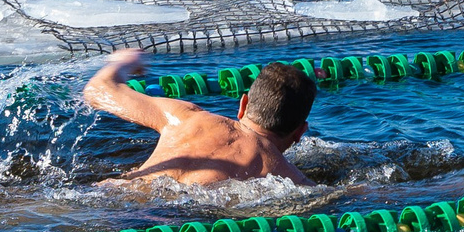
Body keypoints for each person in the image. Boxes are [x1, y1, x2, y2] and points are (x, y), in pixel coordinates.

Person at [82, 48, 316, 187]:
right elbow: (338, 198)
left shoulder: (184, 117)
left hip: (109, 194)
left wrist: (125, 61)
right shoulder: (282, 174)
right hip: (167, 228)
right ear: (299, 132)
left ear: (243, 104)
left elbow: (97, 90)